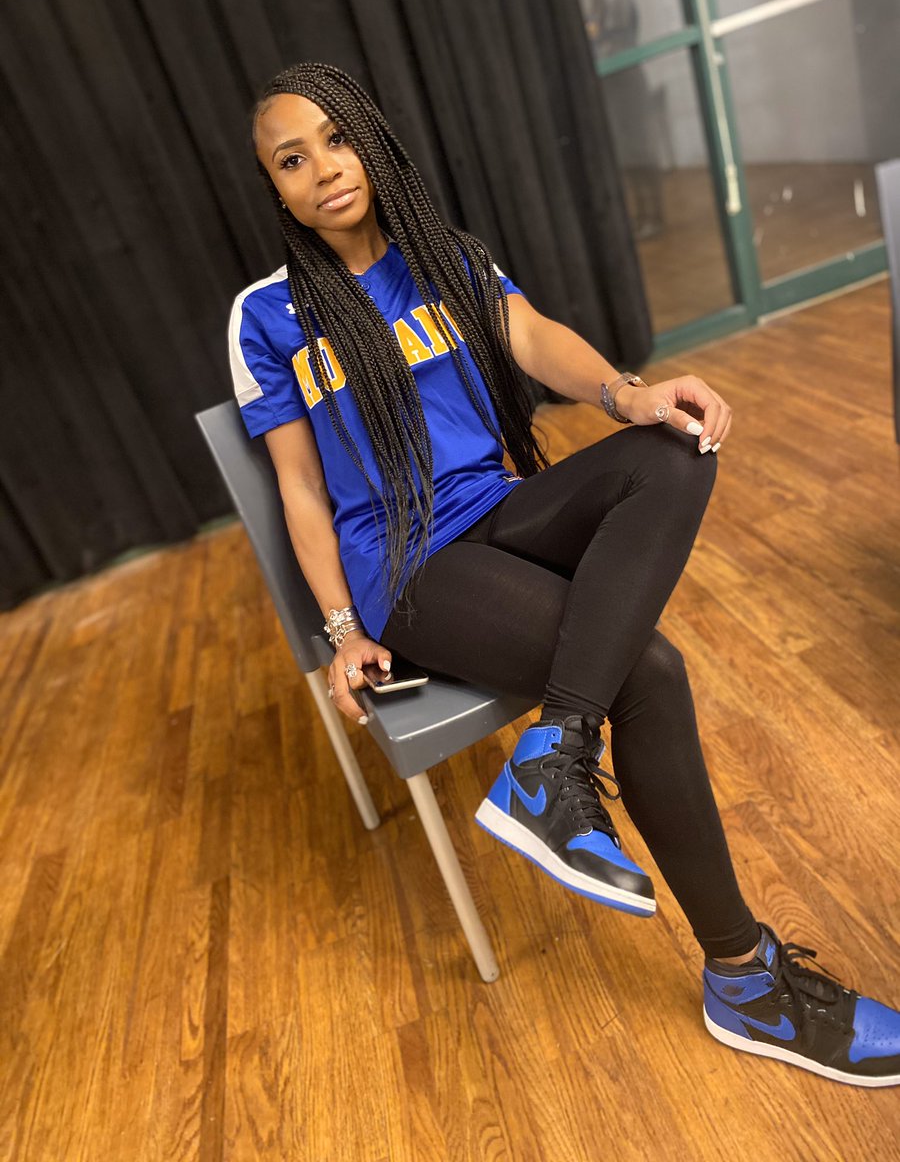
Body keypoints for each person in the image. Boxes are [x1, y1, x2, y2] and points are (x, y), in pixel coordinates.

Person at [228, 61, 899, 1087]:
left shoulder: (443, 257)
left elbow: (532, 337)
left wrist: (629, 394)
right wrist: (341, 629)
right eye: (291, 159)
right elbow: (301, 489)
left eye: (337, 138)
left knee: (675, 446)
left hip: (500, 507)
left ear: (373, 141)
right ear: (274, 190)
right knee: (651, 670)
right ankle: (742, 977)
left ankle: (556, 752)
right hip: (409, 567)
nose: (323, 168)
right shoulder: (268, 316)